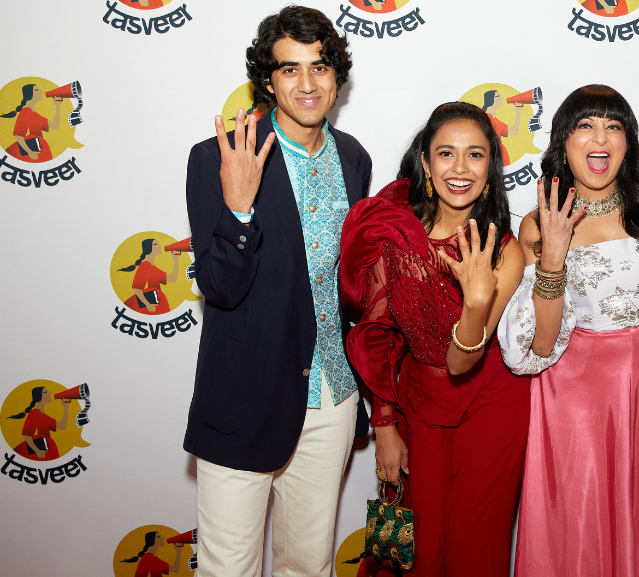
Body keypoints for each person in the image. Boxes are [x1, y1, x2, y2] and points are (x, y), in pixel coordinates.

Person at [182, 7, 371, 577]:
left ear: (337, 75)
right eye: (290, 70)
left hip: (330, 396)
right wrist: (239, 208)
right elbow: (219, 287)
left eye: (320, 67)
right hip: (244, 394)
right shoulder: (217, 157)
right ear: (267, 81)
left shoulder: (354, 158)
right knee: (228, 569)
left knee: (309, 566)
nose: (308, 84)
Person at [497, 84, 639, 576]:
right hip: (573, 395)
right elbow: (533, 349)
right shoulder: (538, 223)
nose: (599, 138)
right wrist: (552, 253)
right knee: (578, 520)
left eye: (613, 126)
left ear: (628, 140)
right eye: (584, 125)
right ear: (563, 143)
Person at [339, 101, 529, 577]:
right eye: (446, 154)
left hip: (491, 403)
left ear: (491, 166)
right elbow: (376, 334)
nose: (460, 169)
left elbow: (464, 363)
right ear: (425, 162)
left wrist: (476, 299)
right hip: (419, 402)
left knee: (474, 546)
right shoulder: (392, 235)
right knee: (417, 550)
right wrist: (384, 427)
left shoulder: (505, 251)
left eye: (475, 155)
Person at [1, 83, 63, 163]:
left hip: (38, 152)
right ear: (29, 94)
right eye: (36, 90)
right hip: (29, 155)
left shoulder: (35, 114)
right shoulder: (25, 112)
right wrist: (30, 152)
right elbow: (18, 136)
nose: (40, 92)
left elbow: (55, 126)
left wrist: (57, 106)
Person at [118, 239, 181, 315]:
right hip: (148, 307)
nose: (159, 246)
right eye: (155, 244)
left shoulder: (153, 267)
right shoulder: (144, 266)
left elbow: (173, 279)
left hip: (157, 304)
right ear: (149, 248)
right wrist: (148, 304)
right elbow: (137, 289)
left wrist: (176, 259)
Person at [8, 386, 71, 461]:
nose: (50, 394)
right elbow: (26, 436)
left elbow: (62, 426)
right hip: (38, 453)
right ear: (39, 396)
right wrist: (37, 451)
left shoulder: (43, 414)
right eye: (46, 392)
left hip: (46, 450)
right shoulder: (34, 413)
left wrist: (66, 407)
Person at [481, 90, 523, 167]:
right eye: (498, 96)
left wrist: (518, 112)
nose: (501, 98)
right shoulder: (485, 119)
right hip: (493, 158)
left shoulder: (495, 120)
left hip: (499, 157)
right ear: (491, 100)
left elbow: (514, 131)